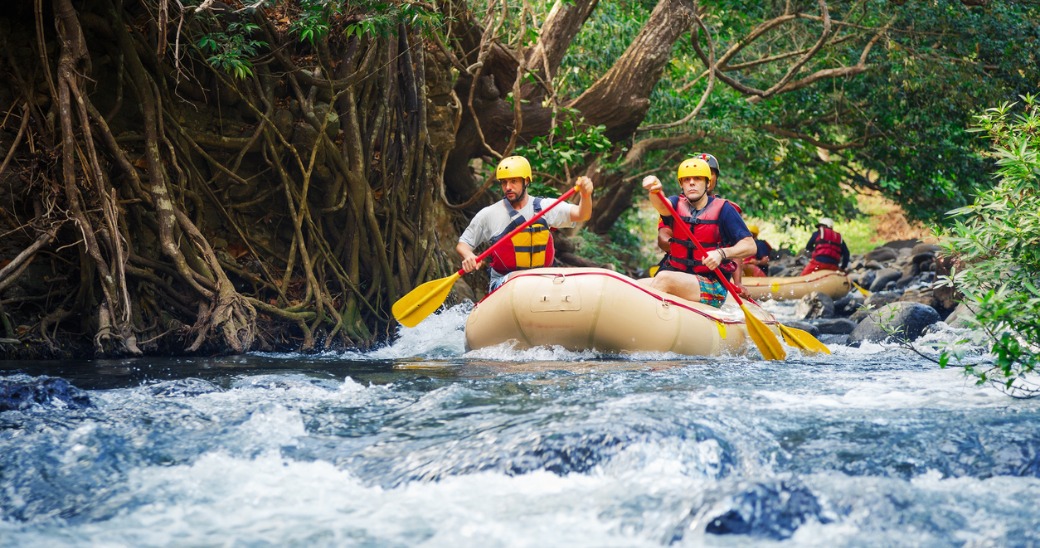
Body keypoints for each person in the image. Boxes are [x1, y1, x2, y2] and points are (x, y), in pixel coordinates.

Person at [456, 155, 594, 292]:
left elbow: (582, 214)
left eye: (513, 181)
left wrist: (585, 196)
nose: (508, 187)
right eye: (504, 182)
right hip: (505, 282)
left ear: (526, 181)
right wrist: (469, 256)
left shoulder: (545, 207)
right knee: (521, 281)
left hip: (543, 279)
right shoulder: (489, 214)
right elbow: (463, 245)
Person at [638, 157, 756, 307]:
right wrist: (655, 191)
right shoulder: (675, 203)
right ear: (681, 184)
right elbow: (662, 205)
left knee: (663, 279)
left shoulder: (725, 210)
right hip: (680, 275)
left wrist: (721, 254)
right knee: (636, 285)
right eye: (686, 179)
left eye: (698, 179)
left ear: (708, 183)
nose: (692, 182)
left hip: (712, 284)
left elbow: (750, 246)